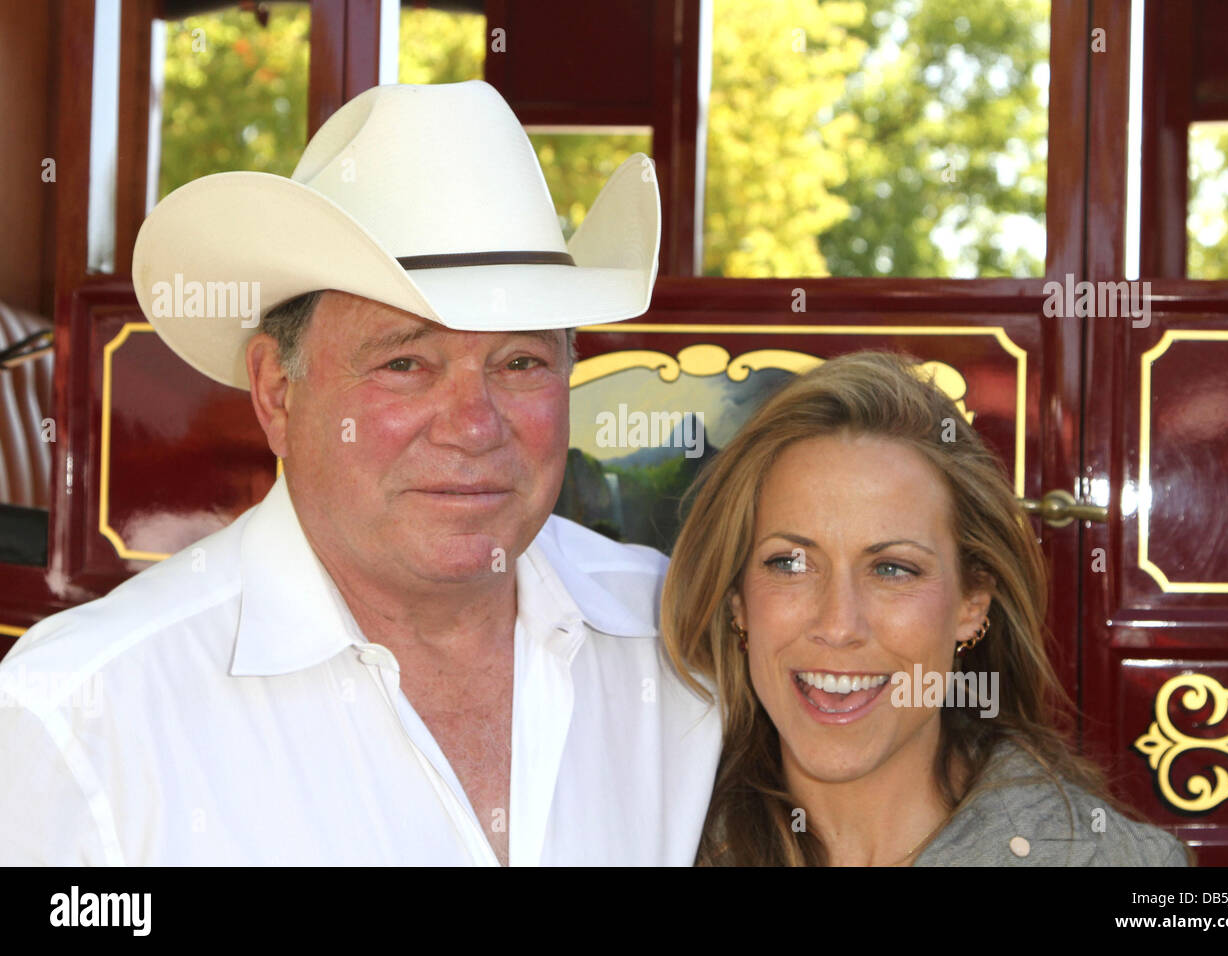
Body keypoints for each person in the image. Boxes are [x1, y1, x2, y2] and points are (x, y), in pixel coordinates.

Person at [0, 81, 720, 865]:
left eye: (520, 362)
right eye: (405, 363)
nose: (474, 426)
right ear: (277, 392)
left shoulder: (687, 644)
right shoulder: (81, 712)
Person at [661, 350, 1190, 866]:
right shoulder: (653, 839)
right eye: (790, 564)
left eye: (892, 568)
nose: (839, 625)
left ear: (972, 603)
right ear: (738, 604)